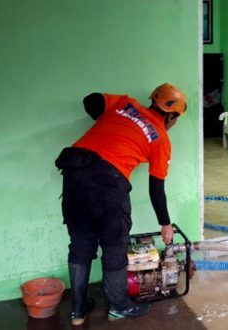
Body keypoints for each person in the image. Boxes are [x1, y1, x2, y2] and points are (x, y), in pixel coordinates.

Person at [55, 83, 186, 325]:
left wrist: (110, 124)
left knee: (81, 244)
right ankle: (119, 306)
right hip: (108, 183)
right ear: (171, 115)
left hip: (74, 175)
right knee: (114, 246)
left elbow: (91, 100)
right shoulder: (160, 139)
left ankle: (78, 310)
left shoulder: (125, 104)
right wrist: (165, 224)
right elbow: (156, 189)